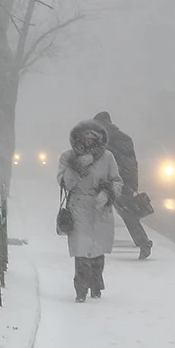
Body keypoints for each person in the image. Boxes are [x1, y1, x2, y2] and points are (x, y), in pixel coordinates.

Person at [57, 119, 123, 302]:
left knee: (97, 249)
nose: (88, 141)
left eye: (93, 138)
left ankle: (96, 286)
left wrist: (107, 193)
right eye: (85, 137)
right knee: (81, 249)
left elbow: (117, 181)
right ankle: (81, 289)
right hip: (78, 206)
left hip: (100, 208)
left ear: (99, 139)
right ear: (78, 138)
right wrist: (78, 166)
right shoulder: (68, 157)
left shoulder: (108, 157)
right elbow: (64, 183)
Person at [93, 111, 153, 259]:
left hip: (107, 181)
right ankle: (143, 242)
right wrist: (133, 183)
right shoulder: (125, 138)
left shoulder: (101, 139)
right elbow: (133, 163)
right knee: (129, 216)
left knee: (97, 212)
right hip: (123, 181)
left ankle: (95, 245)